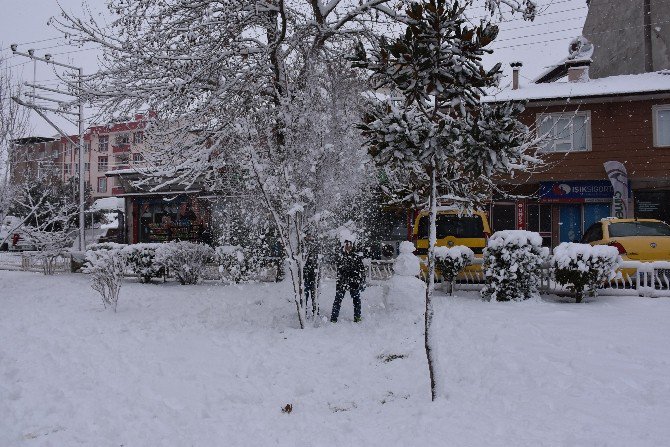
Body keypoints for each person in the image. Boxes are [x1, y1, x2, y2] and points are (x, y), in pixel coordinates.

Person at [330, 237, 366, 323]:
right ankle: (334, 318)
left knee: (356, 300)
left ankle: (357, 317)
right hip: (342, 282)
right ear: (344, 245)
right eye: (346, 245)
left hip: (354, 282)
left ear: (352, 246)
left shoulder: (356, 257)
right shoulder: (340, 256)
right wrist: (341, 280)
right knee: (337, 301)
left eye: (350, 245)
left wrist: (360, 280)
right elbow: (339, 269)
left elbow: (361, 270)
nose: (348, 246)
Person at [303, 235, 319, 315]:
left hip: (313, 275)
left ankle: (315, 311)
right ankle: (303, 312)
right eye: (308, 236)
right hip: (305, 275)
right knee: (304, 295)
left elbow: (318, 260)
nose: (310, 238)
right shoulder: (302, 247)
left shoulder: (316, 246)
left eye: (311, 236)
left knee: (314, 295)